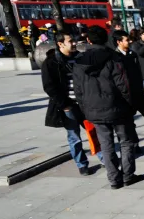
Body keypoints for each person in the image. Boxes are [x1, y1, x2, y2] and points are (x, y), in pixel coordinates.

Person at [73, 27, 138, 189]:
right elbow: (124, 85)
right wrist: (130, 104)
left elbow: (78, 90)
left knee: (106, 144)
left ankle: (114, 179)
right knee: (126, 141)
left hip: (94, 109)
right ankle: (128, 175)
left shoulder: (79, 61)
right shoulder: (114, 57)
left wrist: (85, 108)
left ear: (88, 40)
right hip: (118, 107)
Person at [41, 32, 103, 176]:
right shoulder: (51, 62)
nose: (74, 43)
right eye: (70, 41)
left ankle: (104, 158)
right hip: (68, 105)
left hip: (86, 103)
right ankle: (82, 164)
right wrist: (64, 105)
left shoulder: (80, 57)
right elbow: (49, 87)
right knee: (74, 136)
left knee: (94, 131)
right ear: (60, 44)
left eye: (74, 40)